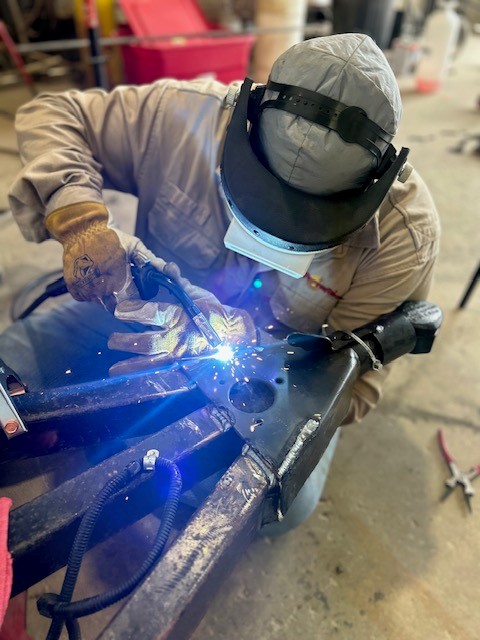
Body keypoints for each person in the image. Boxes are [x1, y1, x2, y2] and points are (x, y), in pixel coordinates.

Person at [1, 34, 440, 533]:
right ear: (245, 120)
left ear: (376, 182)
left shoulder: (404, 236)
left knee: (274, 507)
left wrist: (256, 352)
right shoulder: (185, 117)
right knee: (13, 368)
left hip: (264, 384)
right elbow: (55, 113)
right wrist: (80, 219)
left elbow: (352, 384)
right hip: (148, 315)